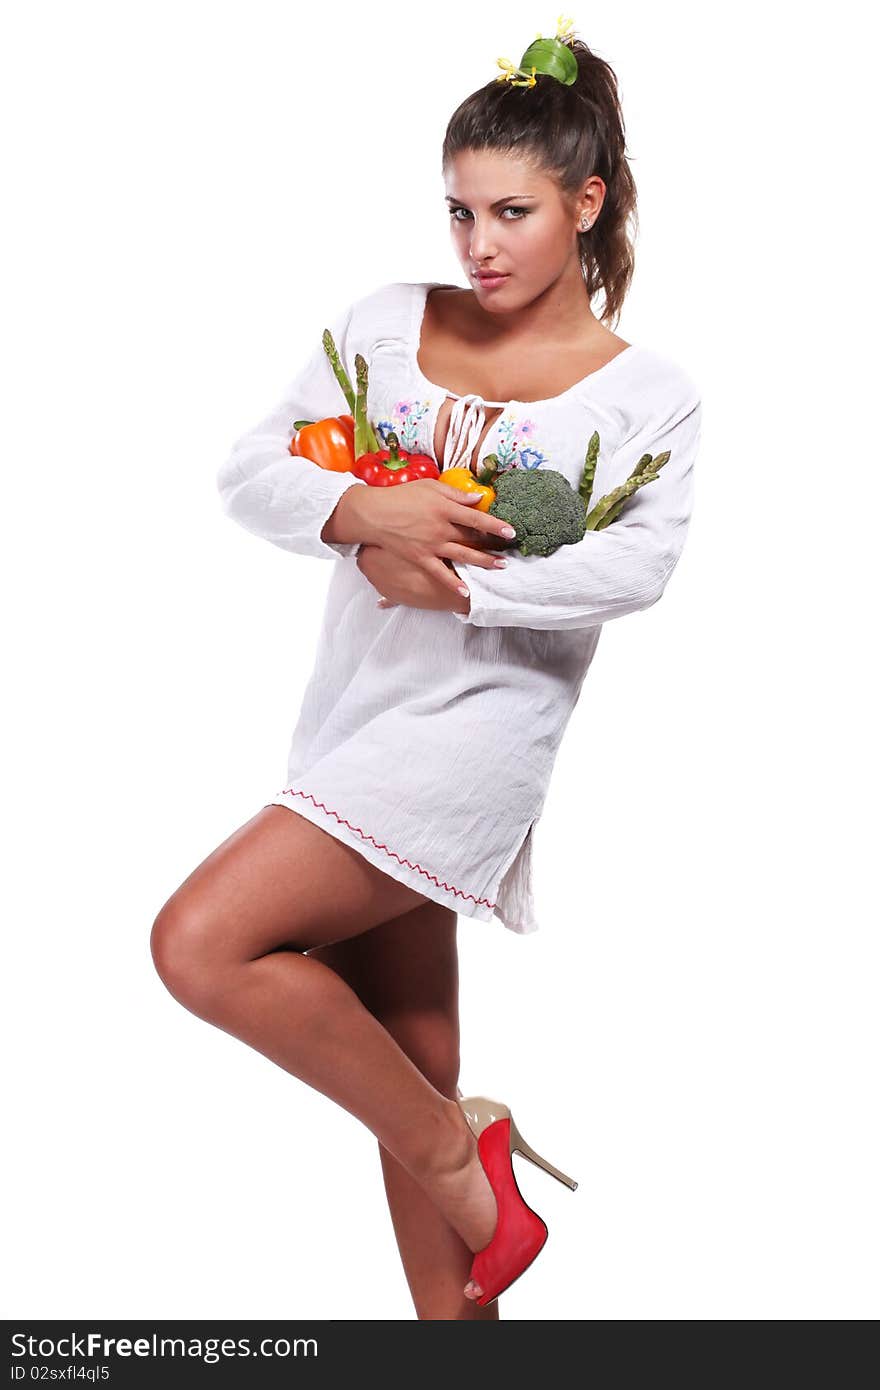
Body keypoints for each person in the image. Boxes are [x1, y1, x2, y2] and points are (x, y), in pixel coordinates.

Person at [150, 18, 701, 1319]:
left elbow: (637, 567)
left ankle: (469, 1160)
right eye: (458, 211)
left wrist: (454, 575)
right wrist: (363, 515)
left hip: (476, 739)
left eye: (511, 211)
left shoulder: (647, 393)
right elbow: (254, 468)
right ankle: (462, 1319)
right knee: (409, 1055)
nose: (479, 243)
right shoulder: (385, 323)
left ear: (587, 201)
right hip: (357, 716)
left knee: (200, 945)